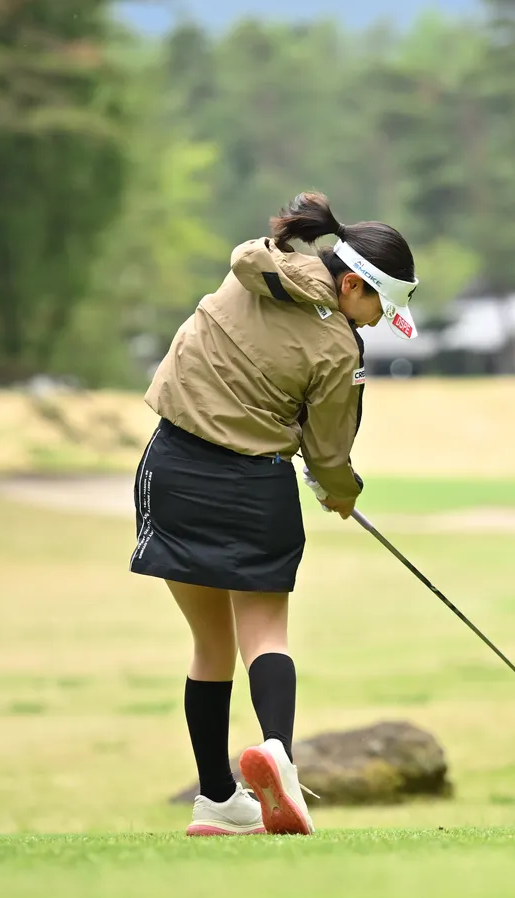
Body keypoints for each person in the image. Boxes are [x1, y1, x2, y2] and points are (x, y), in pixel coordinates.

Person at [129, 192, 420, 836]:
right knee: (263, 633)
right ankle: (278, 754)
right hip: (254, 485)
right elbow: (328, 452)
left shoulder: (251, 268)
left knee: (210, 643)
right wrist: (342, 493)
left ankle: (216, 800)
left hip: (173, 468)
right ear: (352, 285)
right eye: (381, 306)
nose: (378, 322)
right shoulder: (339, 348)